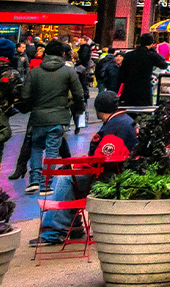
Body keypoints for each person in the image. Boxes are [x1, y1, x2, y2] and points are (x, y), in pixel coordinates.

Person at [33, 91, 138, 247]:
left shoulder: (115, 127)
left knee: (65, 178)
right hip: (123, 171)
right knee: (71, 177)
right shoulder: (124, 120)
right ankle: (72, 226)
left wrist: (77, 165)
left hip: (113, 175)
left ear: (97, 109)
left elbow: (103, 160)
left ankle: (53, 231)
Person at [17, 40, 83, 194]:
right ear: (63, 54)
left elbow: (25, 96)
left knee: (37, 147)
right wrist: (78, 109)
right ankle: (46, 183)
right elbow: (78, 94)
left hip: (38, 117)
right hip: (59, 117)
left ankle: (34, 180)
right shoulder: (68, 72)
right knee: (52, 150)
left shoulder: (35, 72)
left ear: (45, 54)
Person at [116, 34, 165, 108]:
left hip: (129, 88)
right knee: (144, 111)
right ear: (151, 44)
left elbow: (122, 74)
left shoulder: (129, 55)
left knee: (129, 111)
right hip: (144, 88)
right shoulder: (151, 55)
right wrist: (152, 51)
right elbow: (163, 65)